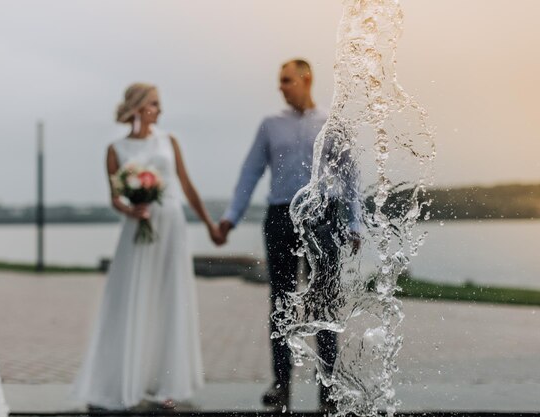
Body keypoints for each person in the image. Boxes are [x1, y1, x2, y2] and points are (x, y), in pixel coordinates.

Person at [218, 59, 360, 411]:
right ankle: (281, 384)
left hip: (323, 217)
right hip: (281, 216)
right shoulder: (270, 126)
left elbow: (350, 175)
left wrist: (355, 222)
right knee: (280, 301)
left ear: (306, 79)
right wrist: (231, 217)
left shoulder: (332, 122)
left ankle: (328, 389)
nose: (281, 87)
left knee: (324, 302)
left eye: (286, 80)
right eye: (280, 81)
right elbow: (250, 172)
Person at [72, 83, 223, 410]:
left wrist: (210, 224)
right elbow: (114, 197)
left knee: (169, 298)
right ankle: (124, 380)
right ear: (139, 107)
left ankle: (165, 382)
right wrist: (131, 209)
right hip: (138, 229)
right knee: (130, 298)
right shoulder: (116, 149)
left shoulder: (169, 142)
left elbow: (187, 185)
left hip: (172, 227)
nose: (160, 109)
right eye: (154, 103)